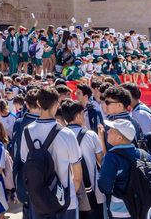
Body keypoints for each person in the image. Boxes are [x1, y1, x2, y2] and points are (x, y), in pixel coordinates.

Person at [18, 85, 82, 219]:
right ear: (57, 104)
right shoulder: (67, 134)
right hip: (65, 200)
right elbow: (77, 176)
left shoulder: (27, 131)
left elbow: (25, 162)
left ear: (38, 103)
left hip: (39, 201)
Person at [57, 100, 103, 219]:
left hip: (69, 192)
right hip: (92, 191)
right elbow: (101, 161)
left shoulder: (59, 136)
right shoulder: (91, 135)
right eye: (83, 114)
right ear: (78, 116)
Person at [98, 118, 151, 219]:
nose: (108, 131)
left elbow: (104, 186)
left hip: (121, 210)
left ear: (119, 138)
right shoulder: (143, 154)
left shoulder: (111, 157)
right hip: (144, 207)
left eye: (111, 130)